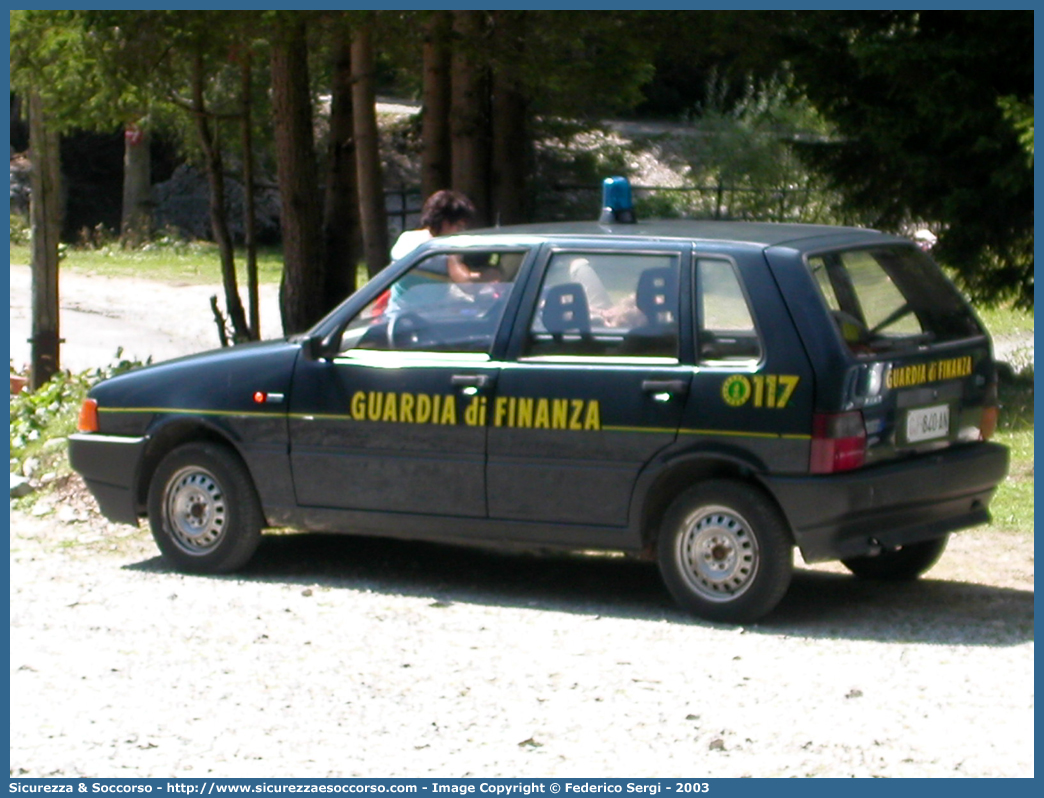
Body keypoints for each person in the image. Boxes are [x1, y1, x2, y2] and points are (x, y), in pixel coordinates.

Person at [390, 189, 476, 260]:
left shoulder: (407, 237)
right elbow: (462, 278)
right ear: (444, 222)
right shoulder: (434, 251)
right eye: (458, 226)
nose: (460, 231)